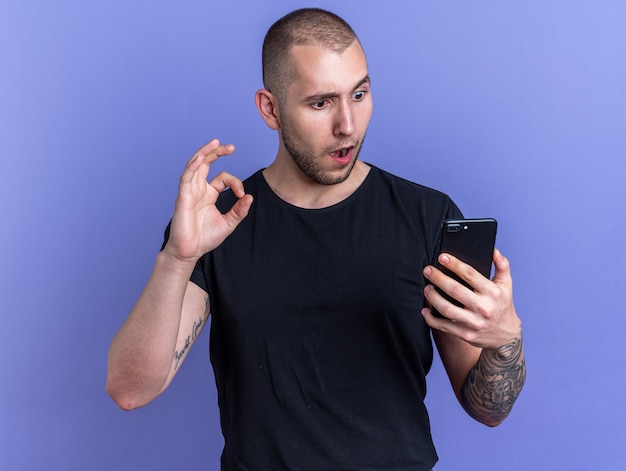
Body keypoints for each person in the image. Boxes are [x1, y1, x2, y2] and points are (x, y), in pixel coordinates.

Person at [107, 8, 526, 470]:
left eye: (359, 94)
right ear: (270, 109)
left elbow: (489, 410)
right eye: (321, 103)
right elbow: (130, 391)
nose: (348, 124)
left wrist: (505, 339)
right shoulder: (218, 222)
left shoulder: (427, 216)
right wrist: (177, 257)